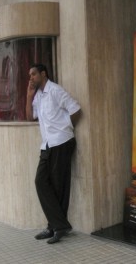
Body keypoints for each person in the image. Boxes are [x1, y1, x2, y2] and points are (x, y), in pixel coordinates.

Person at [26, 63, 81, 244]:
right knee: (40, 181)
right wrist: (28, 96)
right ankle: (59, 225)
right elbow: (29, 116)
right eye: (30, 75)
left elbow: (76, 110)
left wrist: (65, 128)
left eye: (33, 74)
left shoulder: (55, 91)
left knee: (59, 186)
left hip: (62, 142)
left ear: (43, 74)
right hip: (48, 145)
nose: (31, 78)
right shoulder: (39, 96)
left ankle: (55, 227)